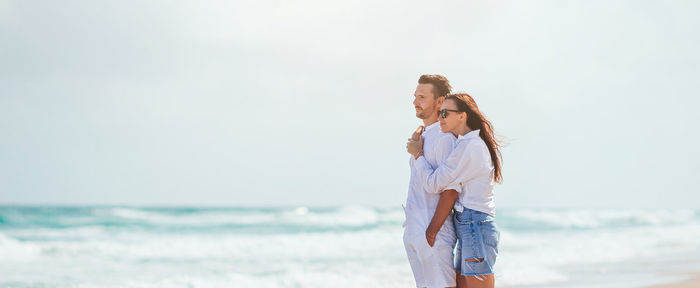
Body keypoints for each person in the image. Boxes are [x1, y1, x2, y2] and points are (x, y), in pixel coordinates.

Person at [406, 93, 503, 288]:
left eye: (445, 113)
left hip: (474, 223)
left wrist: (418, 155)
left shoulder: (469, 147)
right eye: (439, 113)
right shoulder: (465, 144)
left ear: (462, 116)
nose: (440, 117)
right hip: (468, 224)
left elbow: (434, 184)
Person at [403, 75, 461, 288]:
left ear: (440, 102)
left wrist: (432, 231)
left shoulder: (445, 138)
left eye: (422, 97)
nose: (415, 102)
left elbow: (451, 189)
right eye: (415, 97)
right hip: (415, 231)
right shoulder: (423, 136)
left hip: (433, 234)